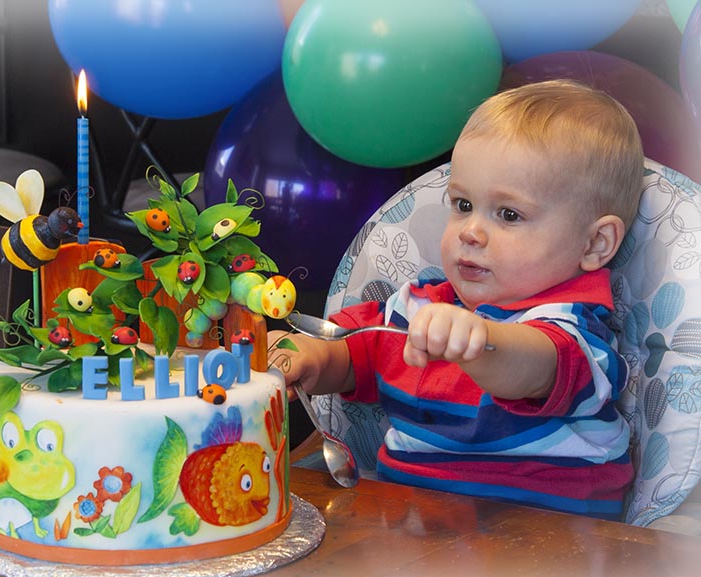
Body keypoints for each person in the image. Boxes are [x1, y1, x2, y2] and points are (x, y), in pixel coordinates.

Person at [270, 79, 645, 520]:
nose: (470, 231)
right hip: (413, 529)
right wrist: (312, 357)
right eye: (463, 205)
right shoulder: (417, 308)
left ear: (595, 244)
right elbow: (357, 355)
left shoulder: (573, 326)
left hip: (549, 547)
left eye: (509, 214)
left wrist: (482, 340)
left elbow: (536, 368)